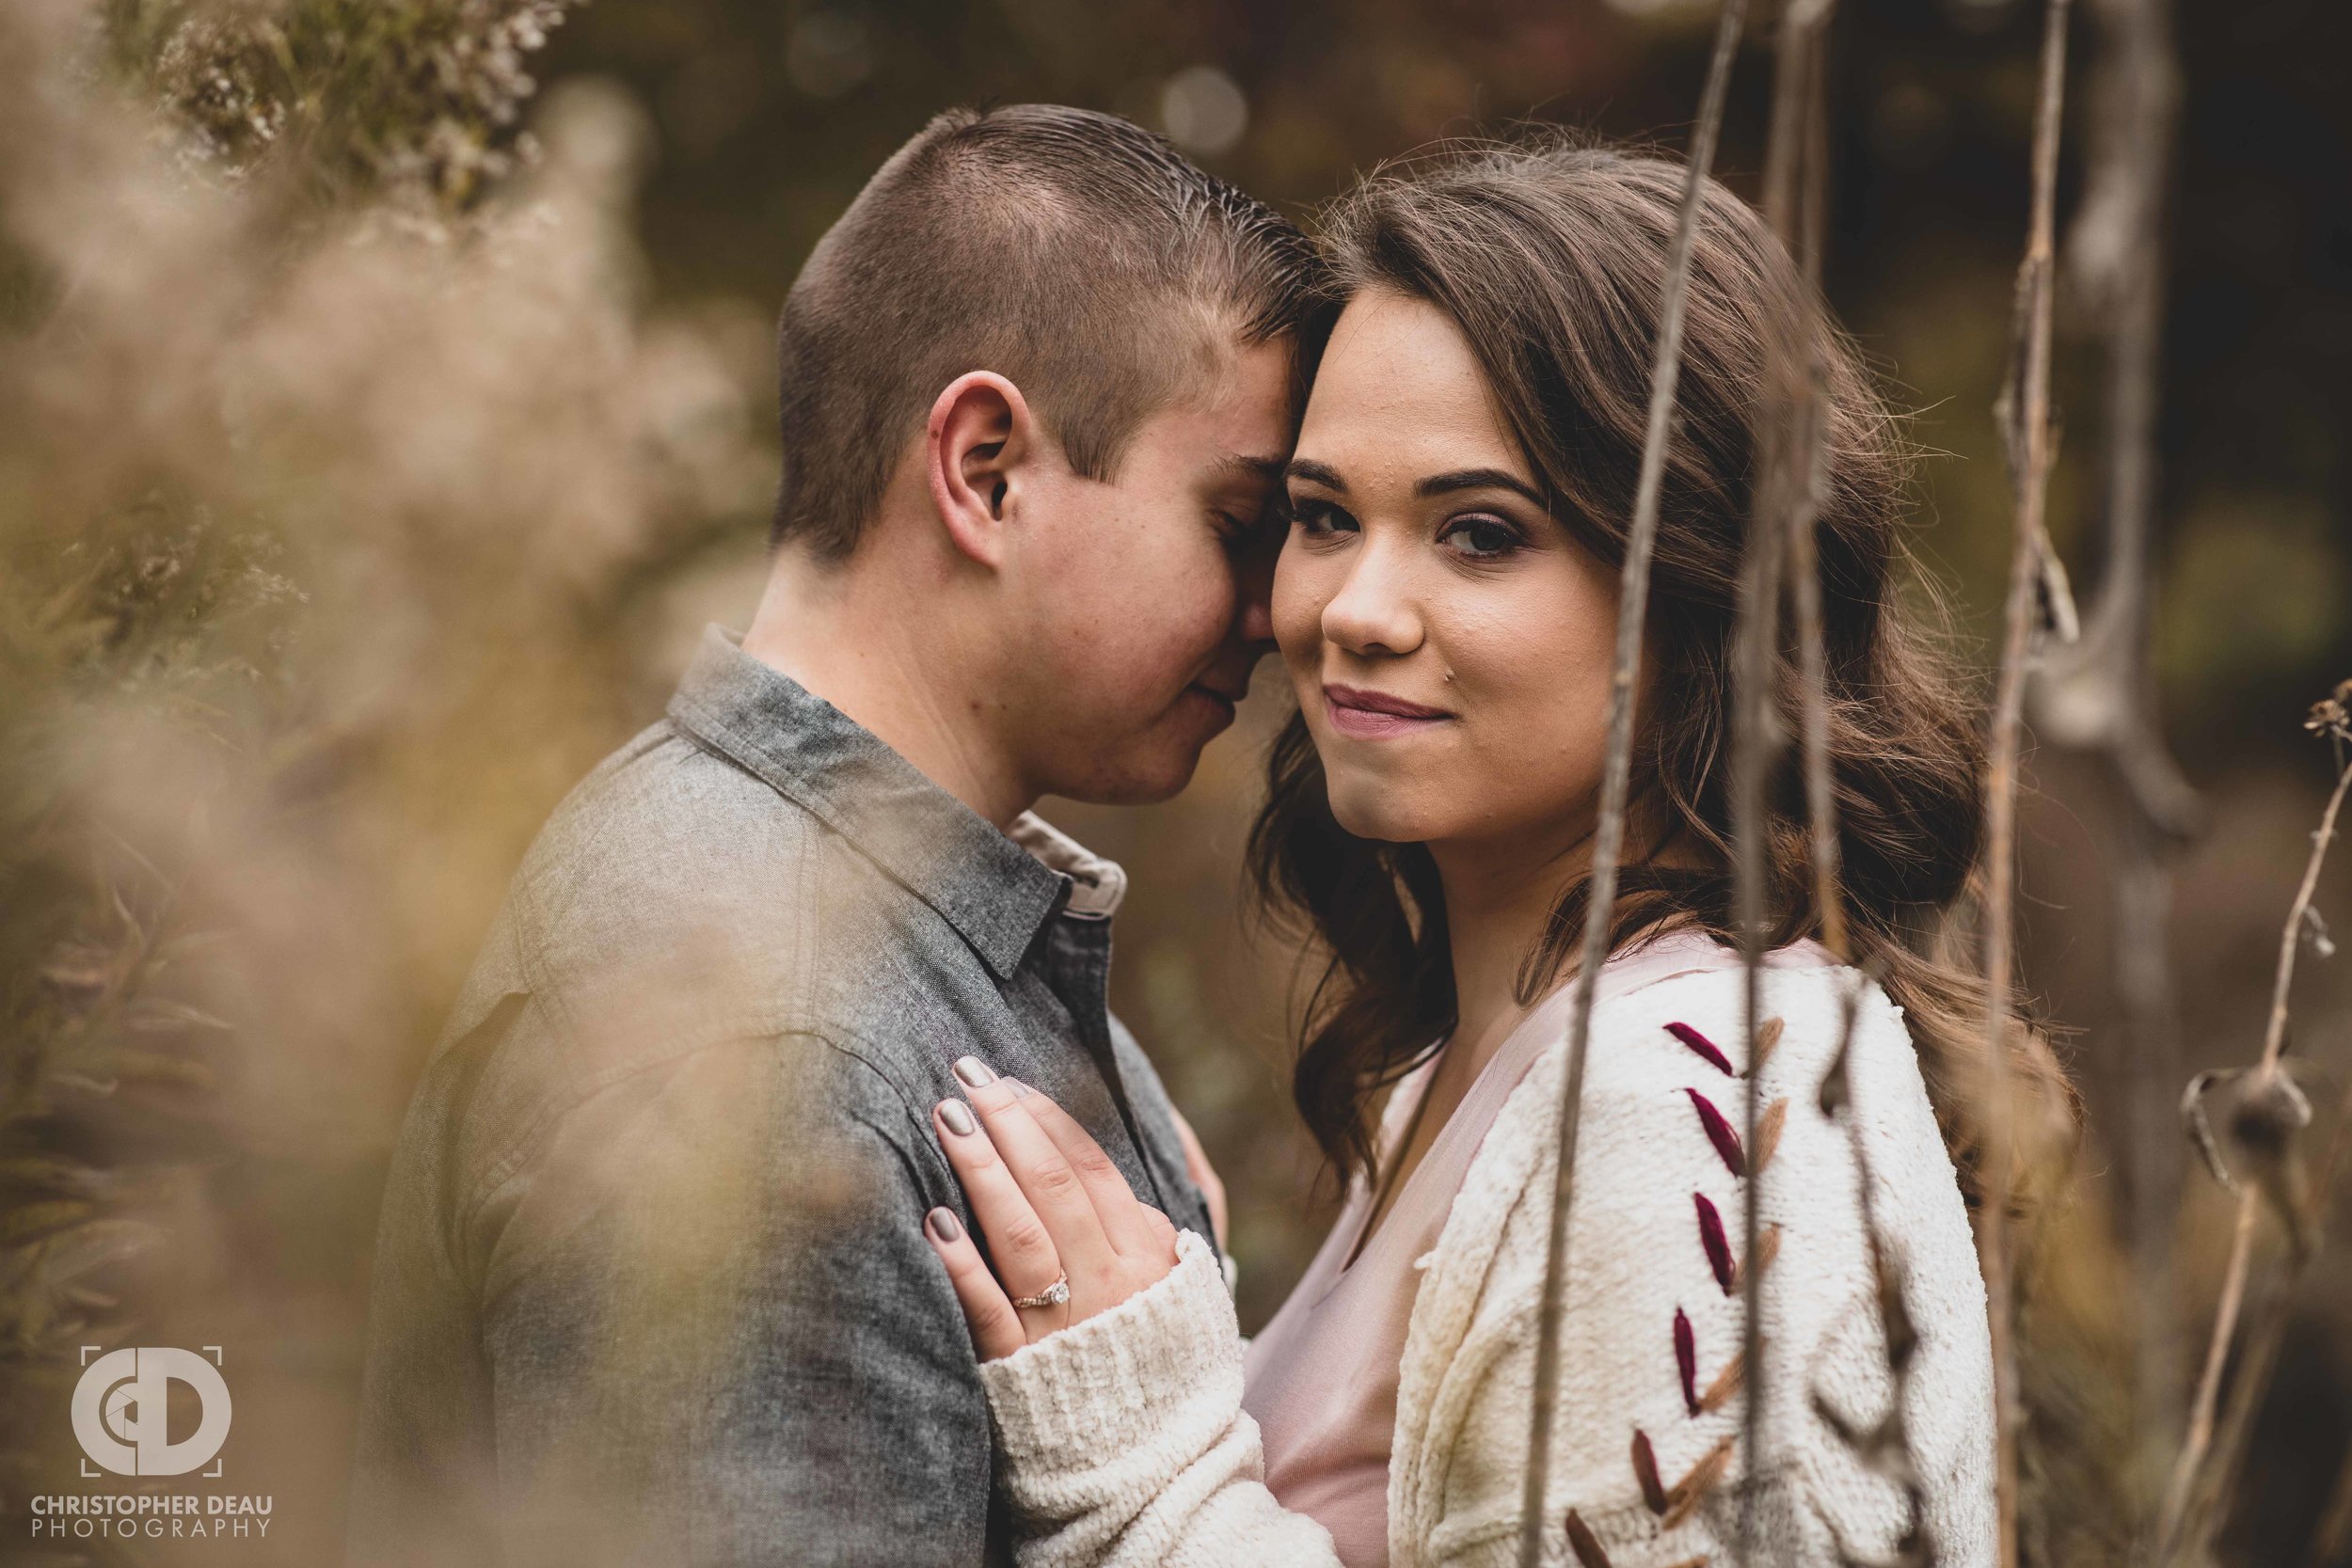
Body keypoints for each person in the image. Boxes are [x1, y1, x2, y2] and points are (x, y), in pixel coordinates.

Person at [917, 139, 2076, 1568]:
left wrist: (1141, 1454)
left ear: (1701, 588)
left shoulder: (1691, 1108)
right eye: (1324, 518)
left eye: (1479, 535)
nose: (1355, 609)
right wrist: (1185, 1333)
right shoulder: (1473, 1075)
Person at [345, 104, 1325, 1568]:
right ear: (986, 469)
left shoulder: (888, 943)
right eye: (1241, 522)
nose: (1278, 609)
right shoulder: (764, 1050)